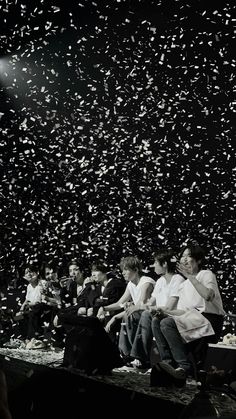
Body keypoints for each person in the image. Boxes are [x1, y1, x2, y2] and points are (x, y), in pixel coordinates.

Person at [151, 244, 225, 383]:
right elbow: (182, 311)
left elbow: (208, 296)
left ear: (198, 260)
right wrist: (164, 311)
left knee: (167, 323)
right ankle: (169, 364)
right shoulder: (183, 284)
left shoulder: (206, 274)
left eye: (188, 256)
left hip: (209, 319)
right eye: (182, 256)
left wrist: (191, 277)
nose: (184, 259)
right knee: (157, 320)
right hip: (191, 318)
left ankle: (184, 367)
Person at [129, 248, 185, 368]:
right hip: (159, 314)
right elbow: (150, 303)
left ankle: (145, 359)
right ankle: (139, 358)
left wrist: (148, 308)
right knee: (141, 314)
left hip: (172, 315)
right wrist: (136, 307)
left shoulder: (178, 280)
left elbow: (169, 307)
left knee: (149, 316)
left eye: (155, 262)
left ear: (164, 264)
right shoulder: (160, 281)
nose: (153, 265)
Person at [97, 256, 155, 361]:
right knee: (127, 317)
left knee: (129, 317)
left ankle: (135, 356)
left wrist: (115, 316)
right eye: (122, 270)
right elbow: (120, 303)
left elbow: (140, 305)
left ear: (136, 270)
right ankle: (125, 354)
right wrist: (104, 308)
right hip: (137, 314)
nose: (123, 273)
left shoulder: (146, 282)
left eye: (125, 270)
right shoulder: (130, 284)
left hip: (148, 314)